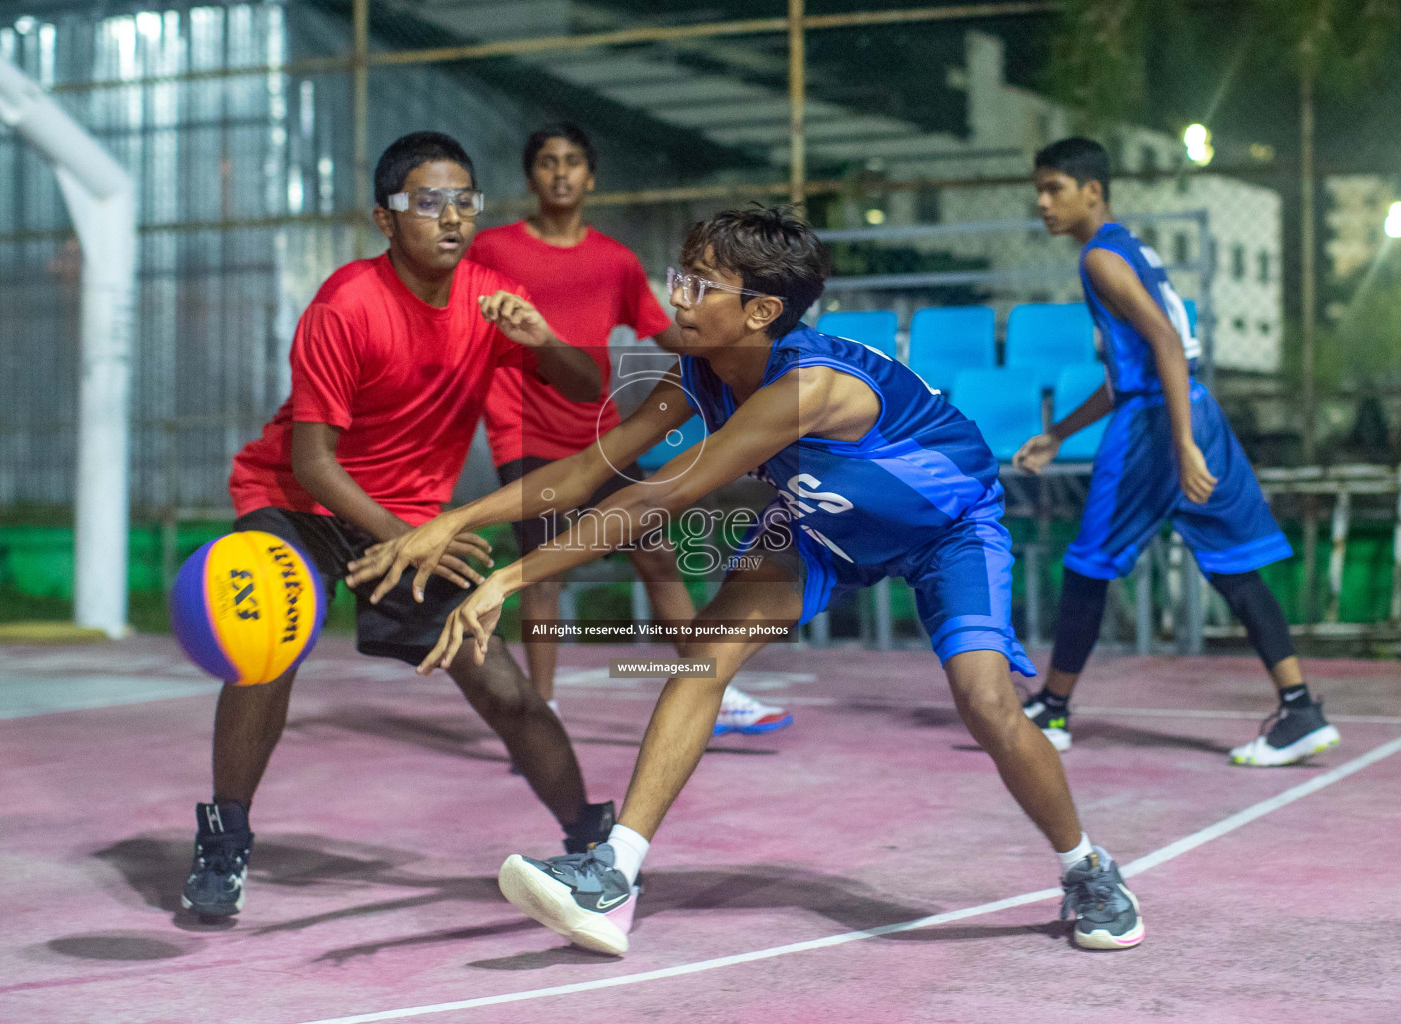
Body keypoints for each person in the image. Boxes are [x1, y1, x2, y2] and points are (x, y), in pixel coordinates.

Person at [348, 207, 1145, 954]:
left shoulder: (804, 387)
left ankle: (1087, 868)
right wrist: (450, 523)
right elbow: (596, 465)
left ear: (761, 311)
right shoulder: (698, 370)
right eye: (680, 275)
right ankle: (612, 875)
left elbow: (661, 493)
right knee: (701, 659)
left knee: (985, 700)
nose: (678, 297)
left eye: (700, 284)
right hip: (822, 525)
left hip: (947, 532)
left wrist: (505, 581)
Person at [181, 132, 614, 919]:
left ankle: (592, 844)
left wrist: (541, 340)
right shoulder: (346, 304)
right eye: (428, 202)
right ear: (387, 219)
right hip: (300, 504)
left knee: (503, 686)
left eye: (464, 201)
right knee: (266, 651)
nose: (450, 217)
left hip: (410, 520)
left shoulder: (490, 298)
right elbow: (313, 462)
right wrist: (403, 536)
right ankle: (225, 836)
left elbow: (589, 389)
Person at [1016, 137, 1339, 767]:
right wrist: (1060, 433)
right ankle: (1300, 708)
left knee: (1088, 564)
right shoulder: (1131, 247)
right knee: (1234, 568)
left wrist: (1180, 442)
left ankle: (1053, 710)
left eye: (1054, 189)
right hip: (1191, 405)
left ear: (1093, 191)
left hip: (1157, 423)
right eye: (1039, 191)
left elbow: (1162, 341)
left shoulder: (1100, 259)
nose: (1043, 203)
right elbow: (1132, 368)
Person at [468, 122, 791, 738]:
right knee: (544, 566)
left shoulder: (614, 260)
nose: (560, 173)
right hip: (523, 430)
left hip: (598, 433)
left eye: (572, 163)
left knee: (655, 551)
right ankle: (542, 713)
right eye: (546, 162)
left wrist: (736, 343)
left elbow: (665, 334)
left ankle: (710, 691)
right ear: (531, 176)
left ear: (591, 178)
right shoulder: (493, 251)